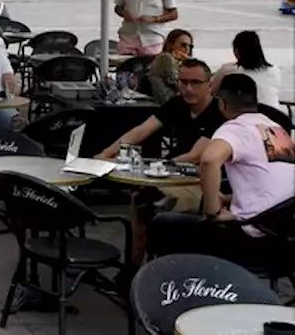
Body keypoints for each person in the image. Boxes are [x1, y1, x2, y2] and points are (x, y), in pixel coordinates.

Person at [147, 73, 295, 261]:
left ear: (222, 103)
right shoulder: (276, 129)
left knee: (161, 224)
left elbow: (208, 160)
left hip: (250, 240)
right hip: (283, 238)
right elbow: (272, 185)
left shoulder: (234, 128)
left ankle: (171, 284)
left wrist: (213, 212)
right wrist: (225, 198)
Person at [99, 58, 224, 164]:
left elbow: (195, 156)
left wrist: (158, 166)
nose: (189, 89)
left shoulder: (219, 111)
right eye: (184, 82)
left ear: (210, 84)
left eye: (195, 82)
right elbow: (142, 130)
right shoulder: (177, 103)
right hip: (174, 163)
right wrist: (106, 154)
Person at [211, 30, 282, 110]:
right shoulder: (275, 70)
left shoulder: (230, 70)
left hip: (244, 116)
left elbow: (211, 91)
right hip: (275, 116)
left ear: (237, 51)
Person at [147, 29, 193, 104]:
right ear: (171, 44)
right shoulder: (166, 57)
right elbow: (176, 82)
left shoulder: (177, 61)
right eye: (183, 45)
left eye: (190, 46)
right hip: (168, 99)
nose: (187, 49)